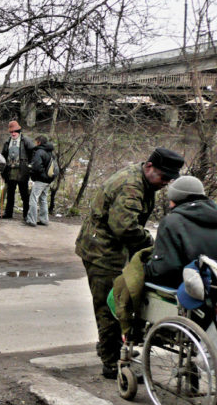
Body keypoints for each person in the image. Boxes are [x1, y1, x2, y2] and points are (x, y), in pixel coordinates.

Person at [75, 147, 184, 379]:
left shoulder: (143, 180)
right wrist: (150, 242)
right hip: (103, 252)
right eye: (163, 176)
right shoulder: (131, 187)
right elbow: (125, 228)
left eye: (169, 179)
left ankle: (110, 345)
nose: (165, 182)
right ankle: (112, 362)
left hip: (111, 249)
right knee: (110, 307)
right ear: (149, 166)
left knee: (116, 303)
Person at [145, 176, 217, 287]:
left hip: (186, 290)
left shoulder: (172, 222)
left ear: (175, 198)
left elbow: (163, 270)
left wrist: (144, 269)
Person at [1, 120, 34, 220]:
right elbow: (3, 155)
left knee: (24, 194)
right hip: (10, 170)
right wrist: (3, 171)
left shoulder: (26, 141)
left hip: (22, 171)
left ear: (19, 131)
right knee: (10, 193)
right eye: (11, 132)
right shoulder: (7, 142)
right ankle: (8, 213)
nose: (13, 133)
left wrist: (30, 166)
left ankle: (26, 215)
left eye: (15, 131)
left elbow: (33, 153)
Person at [25, 135, 54, 227]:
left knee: (33, 198)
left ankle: (31, 220)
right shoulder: (50, 152)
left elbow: (37, 166)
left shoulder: (39, 152)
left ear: (39, 142)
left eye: (36, 141)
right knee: (43, 199)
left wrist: (33, 171)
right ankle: (44, 220)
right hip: (48, 179)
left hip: (41, 180)